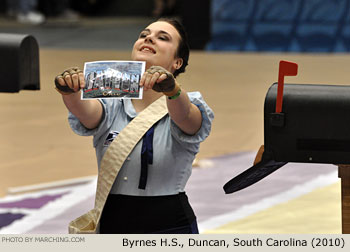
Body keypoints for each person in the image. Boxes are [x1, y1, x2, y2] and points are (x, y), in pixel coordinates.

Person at [54, 18, 214, 234]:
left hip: (170, 227)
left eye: (162, 37)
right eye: (144, 35)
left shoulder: (187, 101)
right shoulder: (110, 100)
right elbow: (86, 113)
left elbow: (187, 118)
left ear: (177, 62)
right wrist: (69, 90)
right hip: (112, 224)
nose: (149, 38)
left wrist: (172, 89)